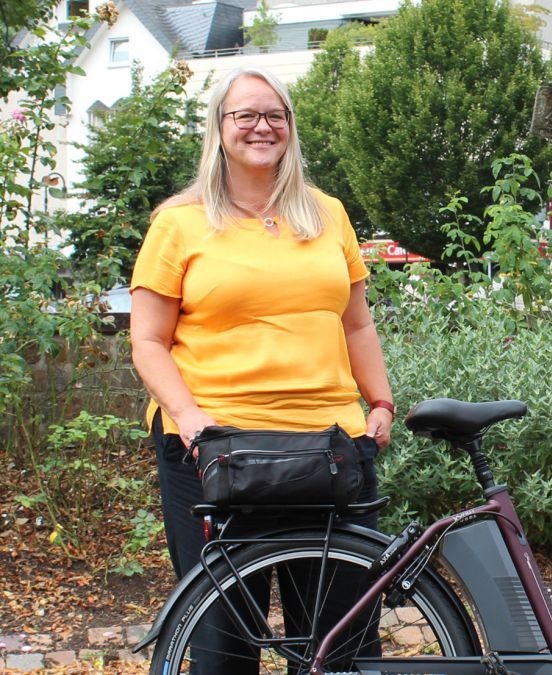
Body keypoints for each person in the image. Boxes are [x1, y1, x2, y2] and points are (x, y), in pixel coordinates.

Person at [129, 66, 393, 672]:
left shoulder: (327, 214)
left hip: (330, 443)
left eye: (274, 114)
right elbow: (147, 340)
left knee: (339, 643)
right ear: (219, 128)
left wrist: (379, 403)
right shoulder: (180, 221)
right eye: (244, 114)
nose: (261, 126)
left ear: (291, 128)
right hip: (217, 448)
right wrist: (192, 420)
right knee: (224, 642)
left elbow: (356, 323)